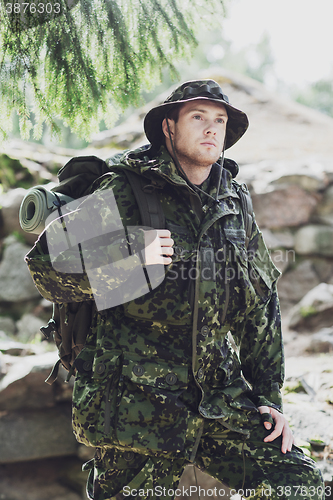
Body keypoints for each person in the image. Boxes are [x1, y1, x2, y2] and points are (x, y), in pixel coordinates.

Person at [25, 80, 325, 500]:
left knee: (300, 485)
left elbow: (260, 301)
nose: (211, 129)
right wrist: (132, 254)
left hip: (219, 399)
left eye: (219, 120)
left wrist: (269, 396)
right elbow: (46, 269)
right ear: (168, 127)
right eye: (197, 117)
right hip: (137, 406)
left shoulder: (233, 200)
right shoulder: (124, 190)